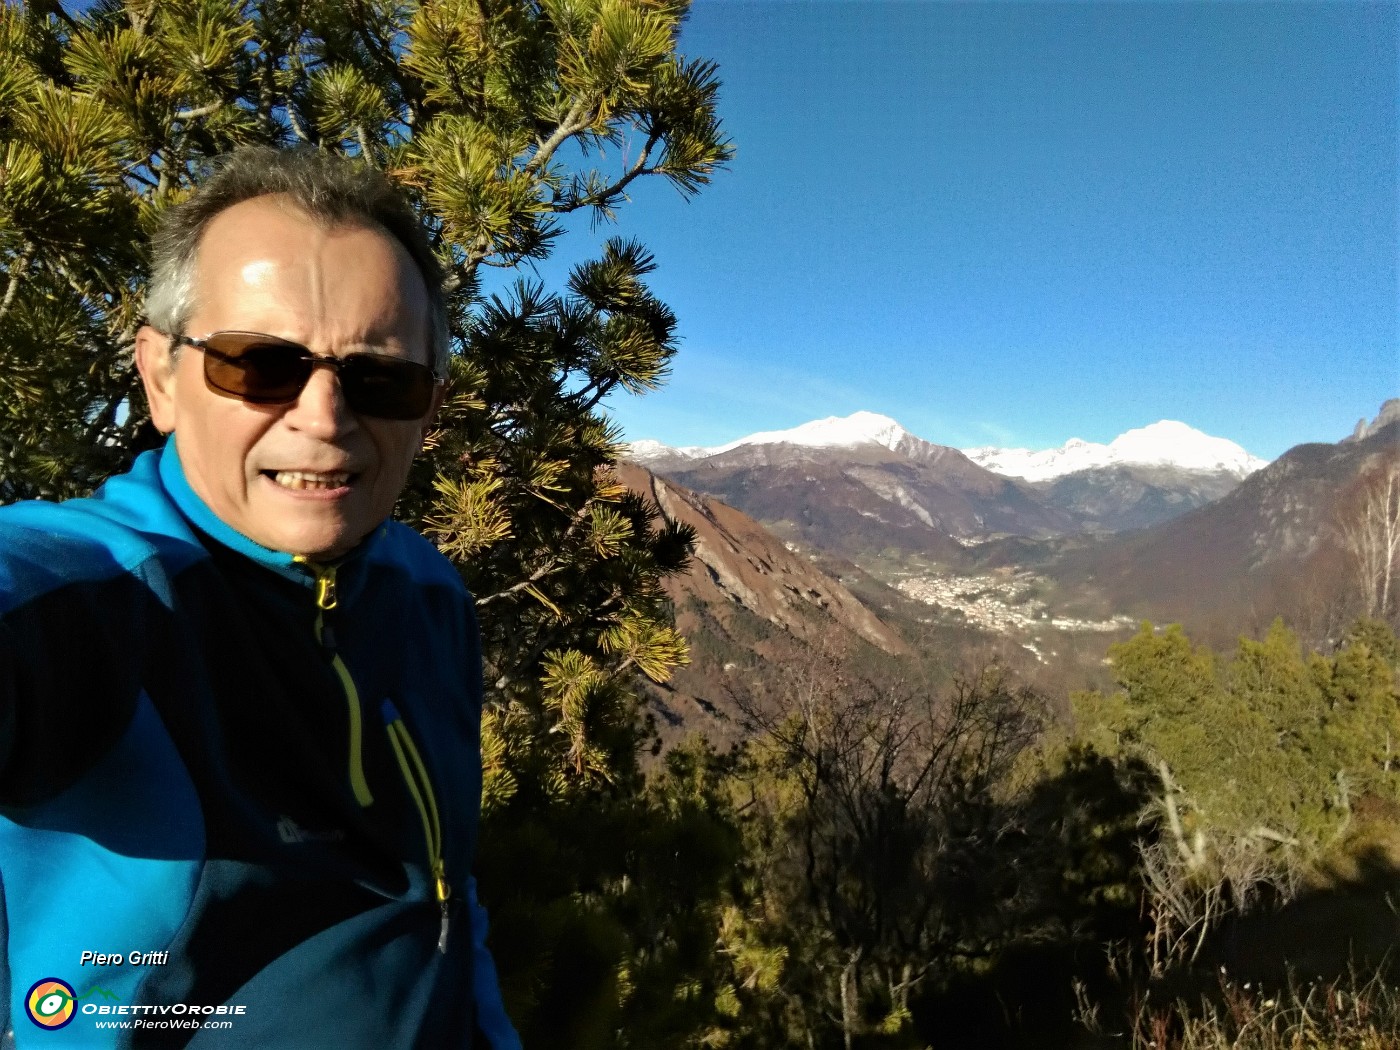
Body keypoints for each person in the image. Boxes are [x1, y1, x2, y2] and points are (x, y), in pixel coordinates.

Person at [0, 147, 521, 1048]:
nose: (323, 416)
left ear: (427, 409)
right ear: (162, 376)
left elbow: (448, 892)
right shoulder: (97, 599)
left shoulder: (428, 594)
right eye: (258, 364)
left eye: (381, 377)